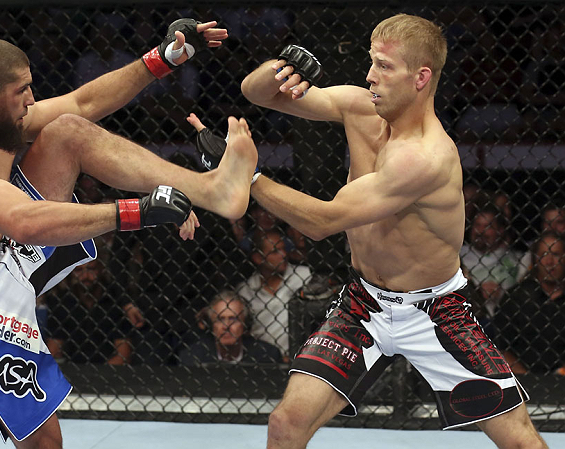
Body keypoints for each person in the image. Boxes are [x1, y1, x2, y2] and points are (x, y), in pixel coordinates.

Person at [0, 19, 258, 448]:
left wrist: (162, 60)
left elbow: (82, 102)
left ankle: (214, 189)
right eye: (22, 91)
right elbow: (25, 221)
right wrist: (135, 211)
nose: (31, 100)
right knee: (45, 444)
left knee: (67, 129)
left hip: (9, 245)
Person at [191, 13, 546, 449]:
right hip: (364, 303)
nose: (369, 75)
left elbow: (322, 222)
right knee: (286, 423)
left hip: (437, 311)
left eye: (384, 66)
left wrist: (245, 176)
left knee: (519, 442)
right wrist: (283, 68)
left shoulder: (425, 157)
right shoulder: (359, 107)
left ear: (421, 78)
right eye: (371, 61)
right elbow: (256, 93)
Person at [494, 231, 565, 375]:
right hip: (523, 379)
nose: (550, 262)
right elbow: (500, 348)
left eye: (556, 255)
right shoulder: (515, 299)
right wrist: (527, 380)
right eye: (544, 255)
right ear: (535, 259)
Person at [236, 229, 312, 360]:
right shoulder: (246, 290)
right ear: (258, 258)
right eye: (275, 251)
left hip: (302, 357)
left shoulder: (304, 276)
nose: (283, 255)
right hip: (263, 359)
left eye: (284, 249)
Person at [45, 259, 133, 365]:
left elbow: (123, 355)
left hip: (109, 371)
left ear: (101, 270)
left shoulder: (114, 300)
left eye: (91, 269)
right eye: (78, 270)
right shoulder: (64, 302)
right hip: (72, 368)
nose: (85, 275)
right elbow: (54, 349)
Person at [179, 290, 282, 365]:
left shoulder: (267, 356)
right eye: (220, 319)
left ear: (245, 324)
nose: (226, 326)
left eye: (233, 319)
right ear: (211, 325)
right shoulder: (192, 357)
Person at [461, 204, 523, 318]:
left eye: (487, 226)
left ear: (500, 230)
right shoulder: (459, 256)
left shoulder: (516, 259)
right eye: (477, 225)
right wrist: (477, 293)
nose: (480, 231)